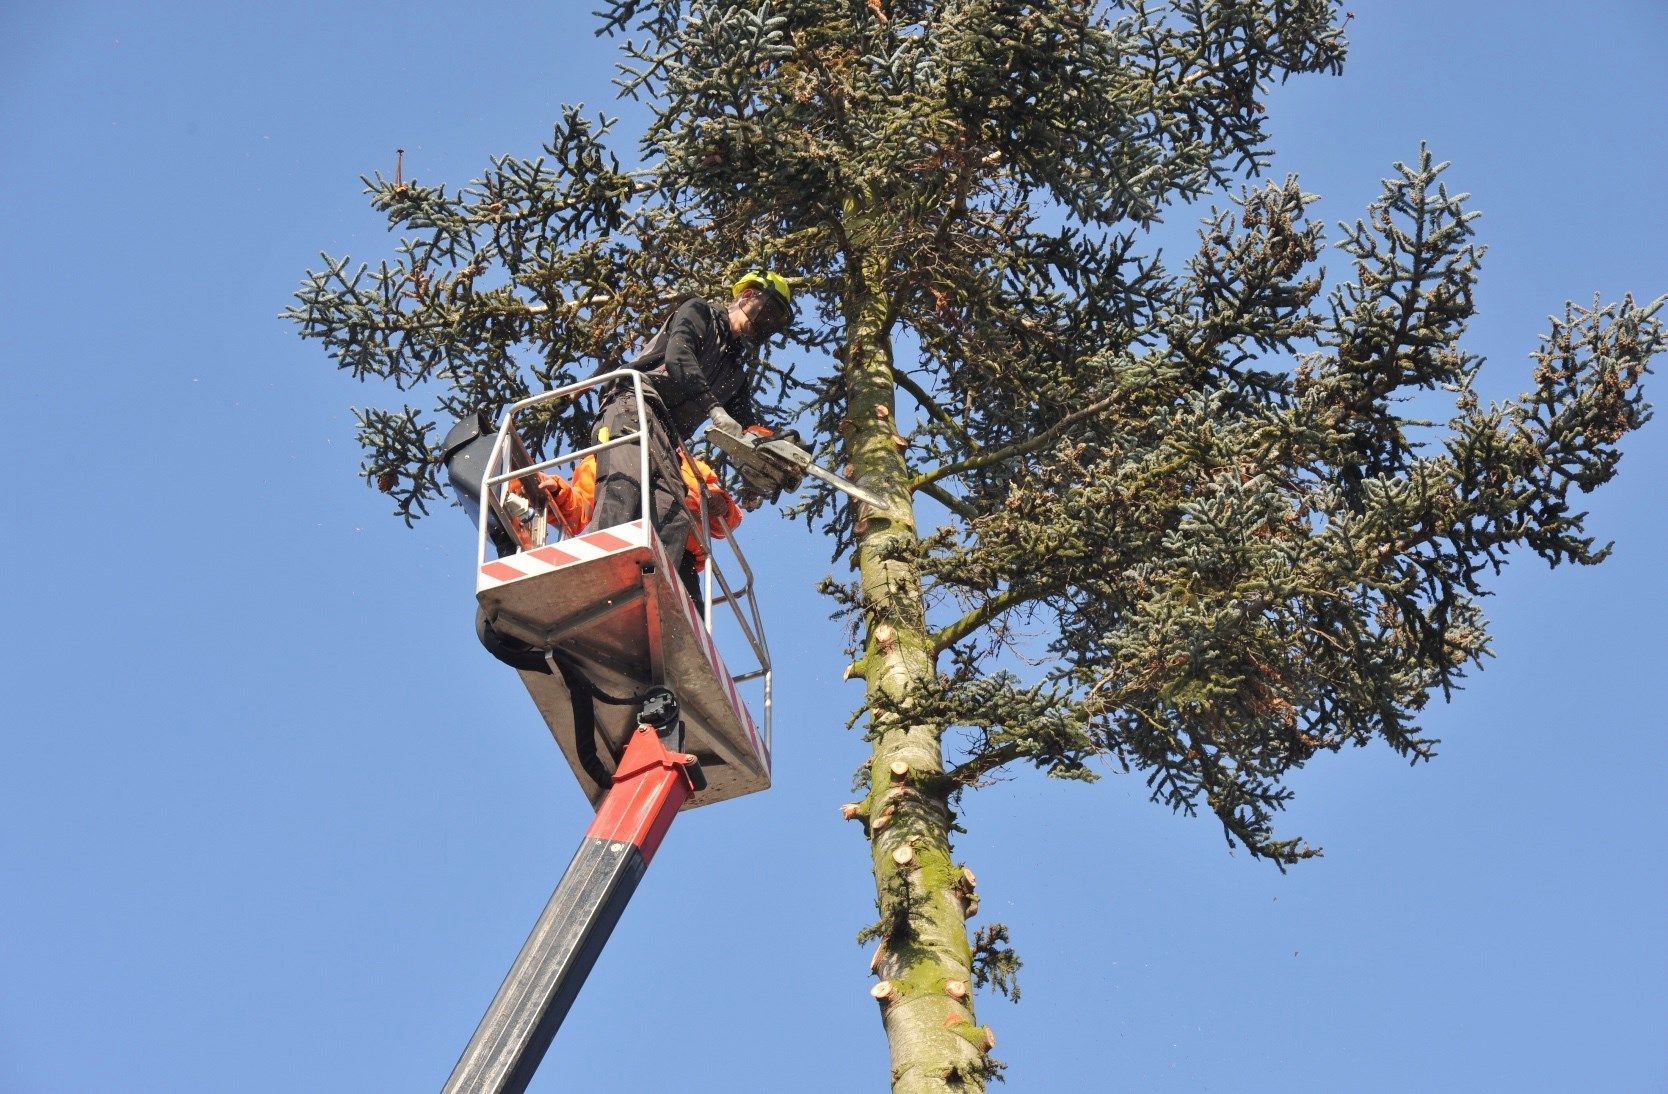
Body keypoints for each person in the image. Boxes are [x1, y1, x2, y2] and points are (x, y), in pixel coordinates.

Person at [587, 270, 794, 577]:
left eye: (776, 319)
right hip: (632, 406)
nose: (767, 322)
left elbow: (748, 427)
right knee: (626, 482)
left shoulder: (734, 372)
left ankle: (646, 588)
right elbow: (679, 357)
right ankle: (599, 568)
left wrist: (767, 462)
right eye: (769, 310)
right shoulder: (700, 313)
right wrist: (714, 409)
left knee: (673, 512)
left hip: (667, 440)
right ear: (747, 295)